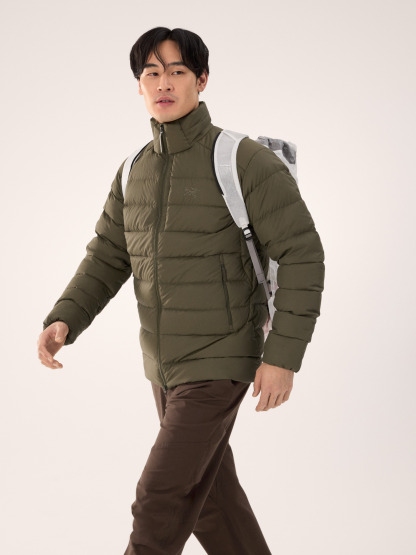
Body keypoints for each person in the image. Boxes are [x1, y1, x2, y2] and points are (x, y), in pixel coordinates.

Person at [37, 26, 325, 554]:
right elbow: (108, 255)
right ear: (139, 85)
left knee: (159, 498)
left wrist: (282, 357)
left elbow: (303, 254)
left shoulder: (241, 160)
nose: (163, 83)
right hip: (164, 365)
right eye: (151, 72)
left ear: (202, 80)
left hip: (221, 357)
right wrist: (66, 317)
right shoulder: (134, 171)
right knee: (210, 500)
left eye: (177, 71)